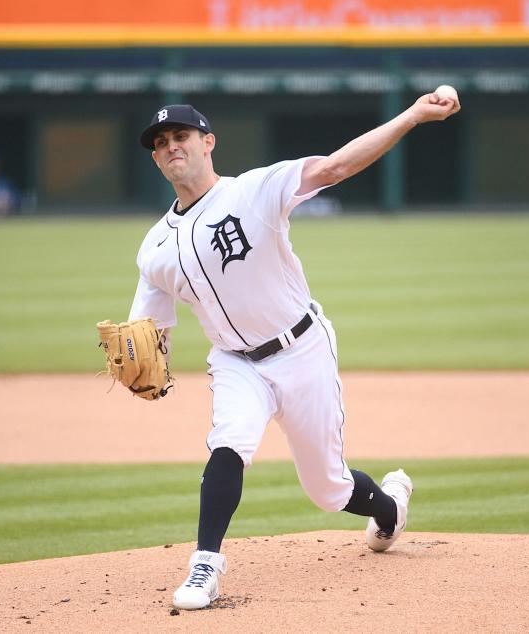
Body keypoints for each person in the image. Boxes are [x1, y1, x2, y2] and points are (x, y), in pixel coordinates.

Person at [128, 94, 461, 611]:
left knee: (329, 490)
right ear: (155, 157)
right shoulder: (154, 248)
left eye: (181, 137)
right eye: (161, 143)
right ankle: (205, 566)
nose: (171, 146)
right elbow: (149, 328)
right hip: (236, 362)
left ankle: (390, 508)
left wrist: (414, 115)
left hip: (301, 348)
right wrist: (148, 359)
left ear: (208, 143)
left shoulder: (256, 189)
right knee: (229, 442)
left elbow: (336, 166)